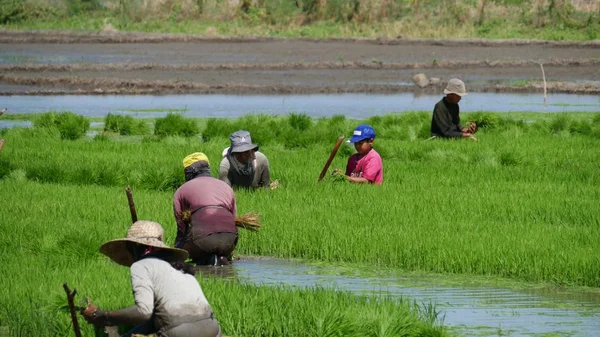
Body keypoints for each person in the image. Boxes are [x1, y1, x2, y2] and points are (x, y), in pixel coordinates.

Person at [80, 220, 222, 337]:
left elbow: (144, 312)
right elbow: (153, 318)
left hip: (178, 333)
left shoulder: (141, 266)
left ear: (135, 247)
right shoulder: (179, 267)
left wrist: (105, 316)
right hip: (213, 330)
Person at [174, 152, 238, 266]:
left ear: (188, 172)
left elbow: (181, 229)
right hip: (229, 241)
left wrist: (176, 251)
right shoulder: (226, 187)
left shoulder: (181, 191)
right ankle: (222, 257)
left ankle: (205, 260)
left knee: (188, 249)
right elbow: (234, 220)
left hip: (202, 241)